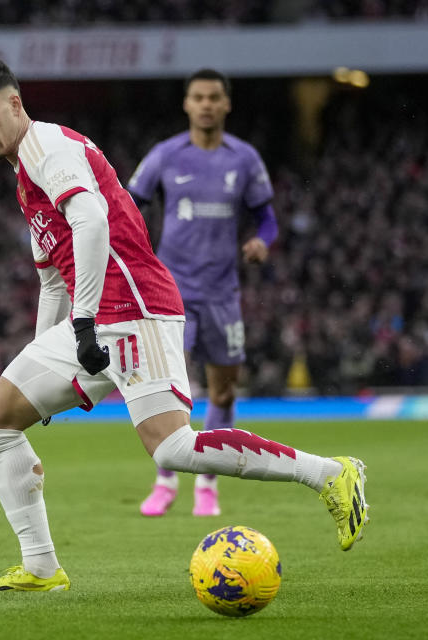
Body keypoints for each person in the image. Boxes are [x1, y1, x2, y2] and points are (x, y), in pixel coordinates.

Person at [0, 58, 368, 594]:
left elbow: (92, 220)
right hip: (97, 318)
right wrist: (45, 360)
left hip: (133, 308)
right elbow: (53, 281)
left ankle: (329, 474)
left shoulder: (47, 148)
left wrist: (81, 323)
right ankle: (40, 568)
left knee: (171, 448)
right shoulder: (25, 177)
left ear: (14, 103)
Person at [126, 69, 278, 518]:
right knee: (172, 389)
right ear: (187, 104)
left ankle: (208, 484)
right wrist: (137, 254)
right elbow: (131, 205)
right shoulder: (165, 155)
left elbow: (266, 218)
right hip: (170, 294)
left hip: (223, 293)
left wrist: (261, 241)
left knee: (224, 391)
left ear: (226, 104)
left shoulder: (244, 160)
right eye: (198, 97)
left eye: (214, 97)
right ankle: (166, 479)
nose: (207, 104)